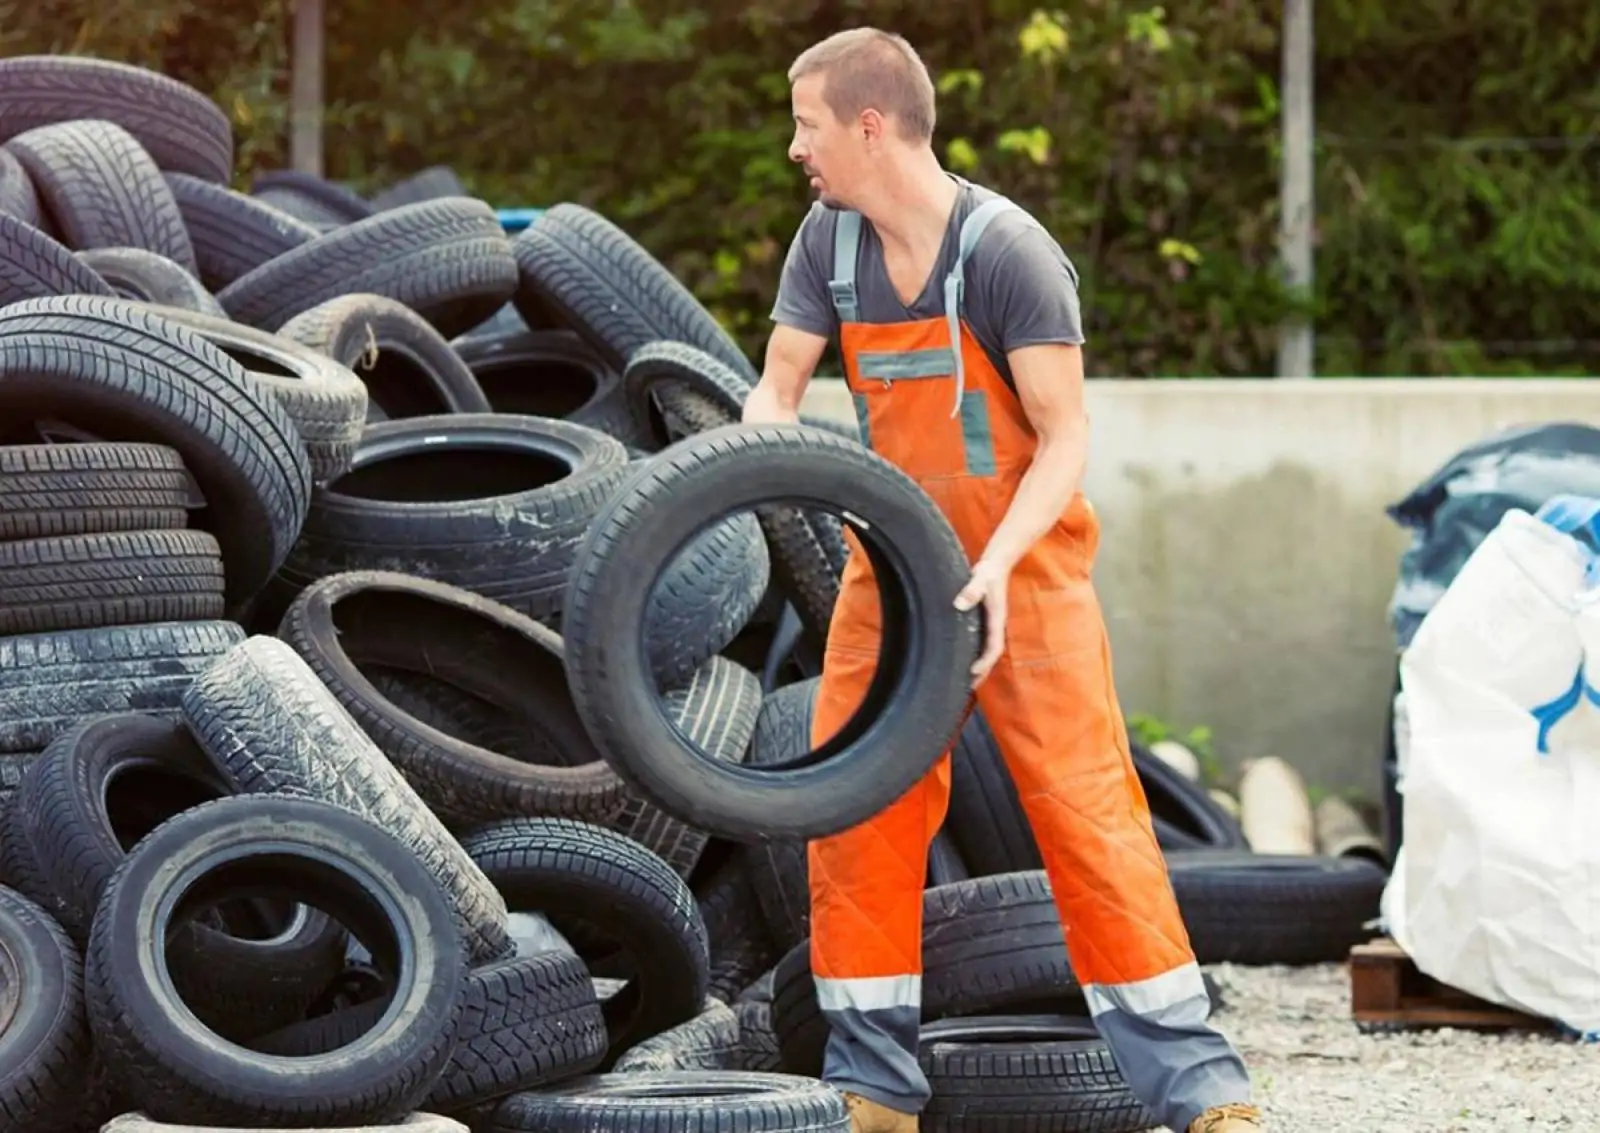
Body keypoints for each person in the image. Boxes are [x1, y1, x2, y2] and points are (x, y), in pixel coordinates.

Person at [739, 26, 1264, 1133]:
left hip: (1025, 572)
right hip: (891, 582)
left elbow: (1065, 437)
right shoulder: (828, 244)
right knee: (854, 813)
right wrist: (754, 467)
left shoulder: (1006, 252)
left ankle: (1202, 1093)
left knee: (1087, 816)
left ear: (869, 126)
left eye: (806, 124)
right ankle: (875, 1087)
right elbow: (775, 391)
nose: (795, 148)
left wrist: (999, 561)